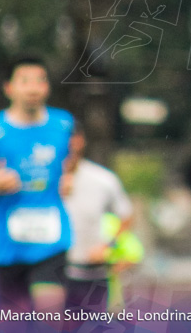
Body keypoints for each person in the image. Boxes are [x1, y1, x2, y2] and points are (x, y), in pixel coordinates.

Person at [0, 54, 74, 315]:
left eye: (40, 81)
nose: (33, 88)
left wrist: (69, 177)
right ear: (9, 88)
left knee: (50, 318)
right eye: (24, 81)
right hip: (6, 246)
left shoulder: (63, 124)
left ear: (48, 87)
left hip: (51, 240)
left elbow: (73, 158)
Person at [61, 121, 135, 315]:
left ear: (80, 141)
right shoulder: (39, 179)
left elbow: (126, 216)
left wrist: (108, 246)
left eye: (73, 138)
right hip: (52, 272)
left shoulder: (102, 179)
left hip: (93, 273)